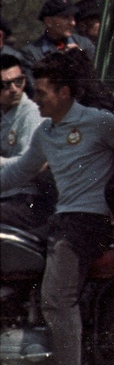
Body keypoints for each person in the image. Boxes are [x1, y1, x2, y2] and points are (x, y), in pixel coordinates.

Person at [0, 53, 114, 365]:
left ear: (66, 92)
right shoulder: (46, 133)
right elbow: (18, 172)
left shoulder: (100, 123)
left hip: (90, 220)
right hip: (62, 218)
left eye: (44, 92)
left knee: (57, 296)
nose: (36, 99)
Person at [0, 52, 46, 232]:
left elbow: (32, 164)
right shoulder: (4, 113)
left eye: (18, 81)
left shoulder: (32, 114)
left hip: (25, 197)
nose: (14, 89)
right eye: (4, 85)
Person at [19, 0, 95, 71]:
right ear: (49, 21)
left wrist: (81, 58)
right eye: (65, 17)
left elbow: (95, 76)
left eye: (73, 17)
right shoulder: (32, 53)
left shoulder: (84, 44)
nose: (73, 23)